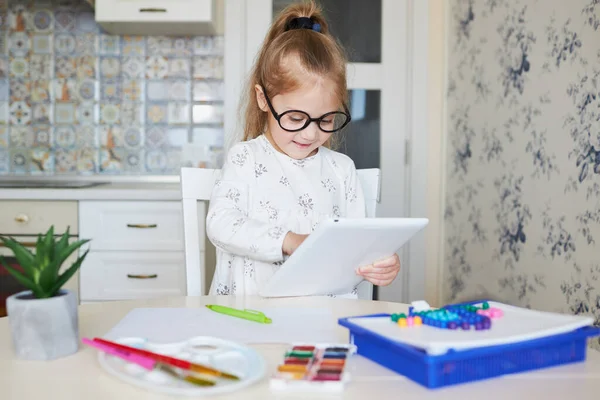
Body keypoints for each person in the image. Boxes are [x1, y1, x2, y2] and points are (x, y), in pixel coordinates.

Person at [206, 0, 400, 296]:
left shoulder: (341, 170)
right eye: (296, 118)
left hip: (324, 321)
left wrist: (378, 262)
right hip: (249, 318)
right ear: (262, 99)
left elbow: (356, 249)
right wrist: (290, 240)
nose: (311, 133)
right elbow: (220, 224)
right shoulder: (245, 159)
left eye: (326, 119)